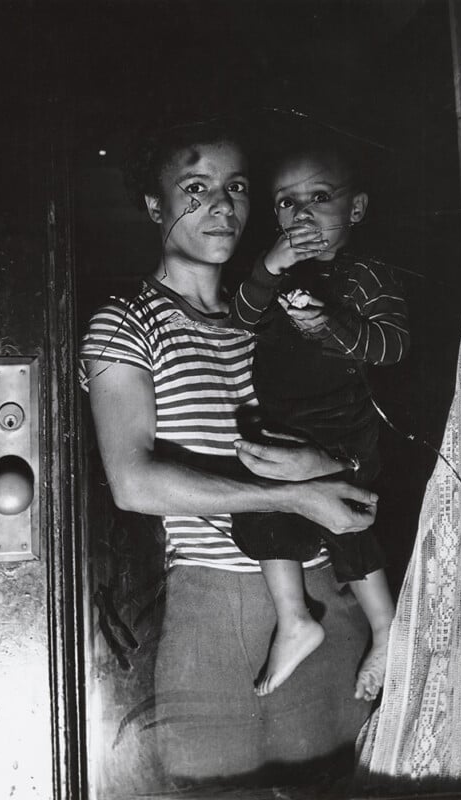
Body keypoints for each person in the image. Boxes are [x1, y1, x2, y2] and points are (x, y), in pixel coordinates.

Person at [80, 119, 378, 787]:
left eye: (237, 187)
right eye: (196, 187)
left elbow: (354, 432)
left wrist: (321, 470)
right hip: (212, 601)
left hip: (325, 592)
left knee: (335, 784)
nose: (222, 205)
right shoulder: (128, 319)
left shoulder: (273, 313)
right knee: (206, 785)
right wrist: (292, 494)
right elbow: (134, 482)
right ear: (155, 206)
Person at [229, 136, 410, 700]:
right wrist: (268, 265)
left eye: (319, 197)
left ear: (355, 209)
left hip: (343, 427)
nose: (300, 214)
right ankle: (294, 620)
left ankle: (384, 629)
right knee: (263, 509)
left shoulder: (366, 276)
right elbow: (242, 315)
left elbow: (394, 346)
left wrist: (332, 324)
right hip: (284, 424)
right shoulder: (275, 270)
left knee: (349, 518)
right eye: (286, 203)